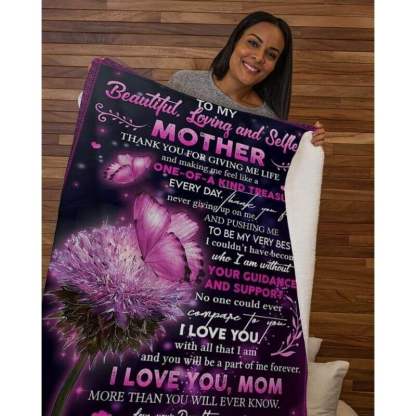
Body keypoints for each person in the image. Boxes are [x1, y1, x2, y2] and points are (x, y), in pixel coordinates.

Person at [167, 11, 325, 146]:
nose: (259, 57)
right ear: (235, 42)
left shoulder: (269, 123)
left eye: (271, 54)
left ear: (276, 66)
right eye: (253, 43)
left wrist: (306, 145)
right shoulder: (183, 83)